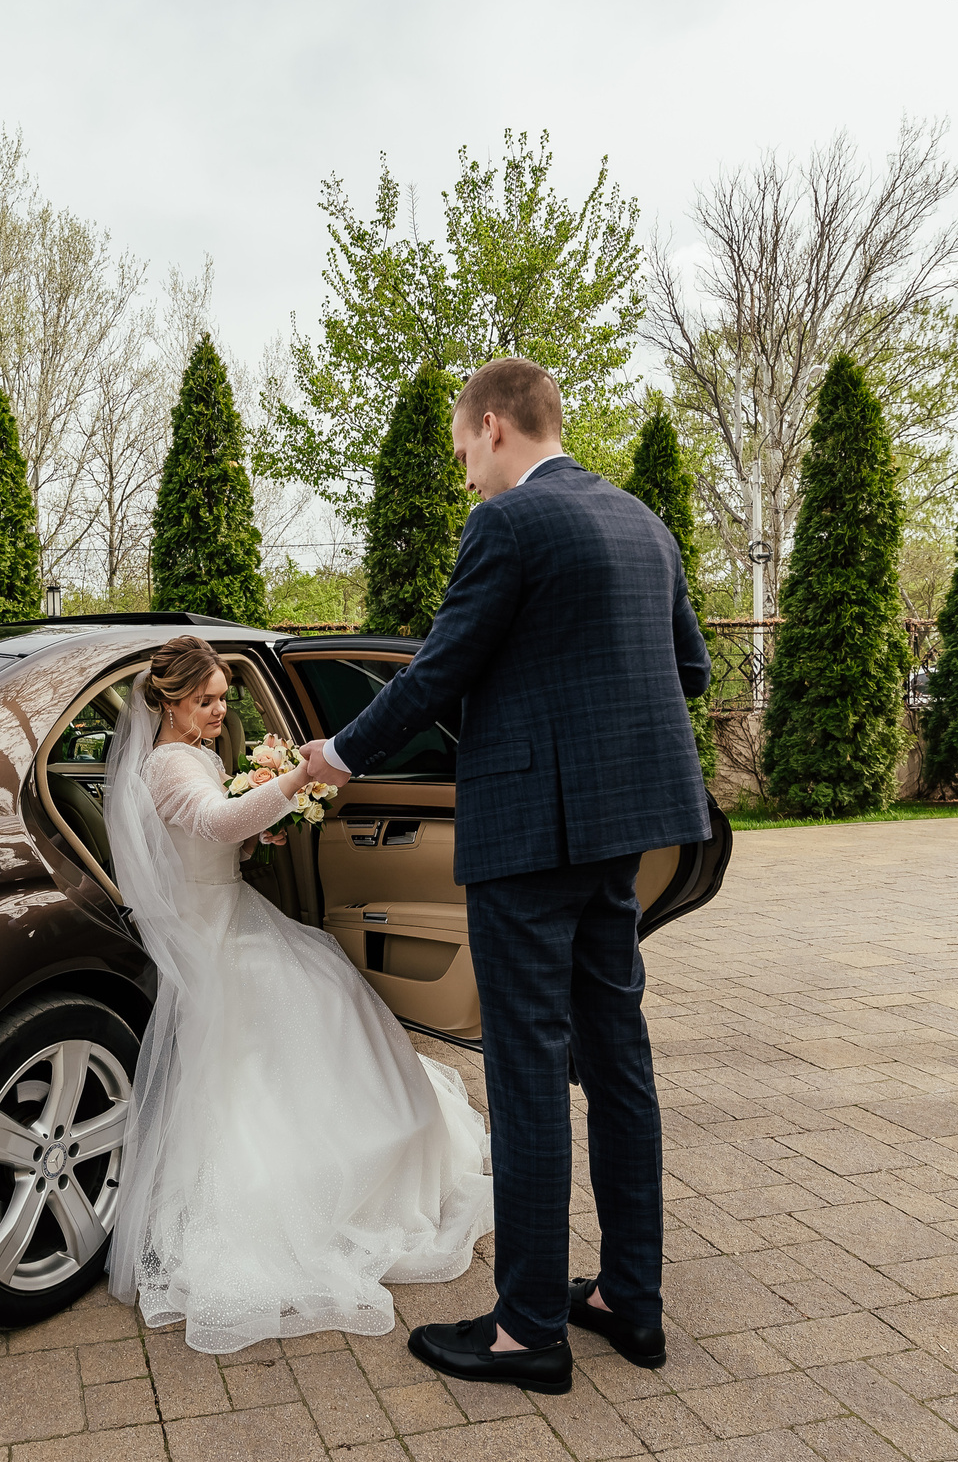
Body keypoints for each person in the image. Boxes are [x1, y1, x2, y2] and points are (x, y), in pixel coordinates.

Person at [303, 356, 709, 1395]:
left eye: (463, 457)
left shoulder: (508, 526)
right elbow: (689, 672)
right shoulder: (641, 523)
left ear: (492, 426)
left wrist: (336, 755)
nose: (465, 479)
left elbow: (440, 670)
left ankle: (527, 1327)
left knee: (528, 1070)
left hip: (528, 837)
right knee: (617, 1060)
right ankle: (632, 1297)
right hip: (622, 834)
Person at [102, 635, 493, 1354]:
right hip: (208, 930)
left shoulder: (200, 756)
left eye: (224, 697)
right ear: (167, 700)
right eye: (205, 700)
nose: (221, 711)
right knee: (314, 998)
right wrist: (291, 783)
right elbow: (217, 821)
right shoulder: (166, 763)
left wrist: (266, 824)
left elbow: (225, 838)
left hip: (229, 909)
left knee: (329, 992)